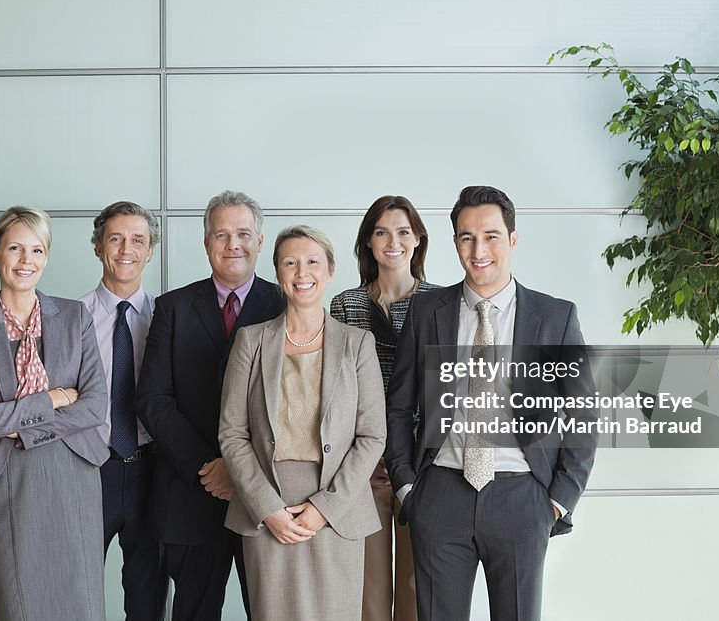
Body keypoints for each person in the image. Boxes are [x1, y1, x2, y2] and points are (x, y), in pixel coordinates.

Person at [385, 186, 599, 621]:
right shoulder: (426, 312)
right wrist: (409, 489)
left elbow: (583, 414)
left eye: (491, 236)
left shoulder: (554, 317)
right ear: (455, 243)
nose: (478, 249)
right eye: (466, 237)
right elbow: (398, 406)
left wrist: (558, 498)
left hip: (523, 496)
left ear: (513, 239)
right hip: (440, 493)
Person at [219, 225, 387, 621]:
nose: (302, 272)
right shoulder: (251, 341)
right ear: (277, 273)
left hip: (337, 507)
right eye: (290, 263)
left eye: (312, 262)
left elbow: (372, 435)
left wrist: (324, 508)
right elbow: (232, 433)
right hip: (269, 506)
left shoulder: (357, 343)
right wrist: (267, 508)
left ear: (329, 271)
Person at [0, 206, 107, 621]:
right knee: (17, 602)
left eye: (36, 250)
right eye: (15, 248)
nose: (26, 261)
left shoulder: (75, 317)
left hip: (72, 469)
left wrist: (16, 422)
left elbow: (94, 406)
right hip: (4, 477)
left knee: (82, 601)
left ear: (47, 257)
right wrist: (54, 397)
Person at [135, 191, 285, 620]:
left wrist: (240, 469)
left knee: (270, 611)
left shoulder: (285, 304)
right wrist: (210, 465)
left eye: (242, 234)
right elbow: (153, 399)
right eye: (221, 234)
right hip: (191, 492)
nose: (232, 244)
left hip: (265, 494)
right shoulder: (174, 308)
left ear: (259, 240)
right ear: (206, 243)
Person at [329, 195, 439, 621]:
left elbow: (444, 389)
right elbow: (338, 391)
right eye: (381, 232)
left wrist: (410, 459)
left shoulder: (441, 302)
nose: (392, 241)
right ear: (368, 243)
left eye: (403, 232)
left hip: (422, 465)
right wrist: (365, 454)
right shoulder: (345, 306)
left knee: (418, 587)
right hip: (364, 466)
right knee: (368, 591)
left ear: (418, 241)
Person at [80, 201, 169, 620]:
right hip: (88, 470)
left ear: (150, 250)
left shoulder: (169, 316)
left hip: (153, 473)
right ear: (99, 246)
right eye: (115, 238)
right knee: (76, 590)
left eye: (138, 240)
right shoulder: (68, 318)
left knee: (148, 596)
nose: (126, 249)